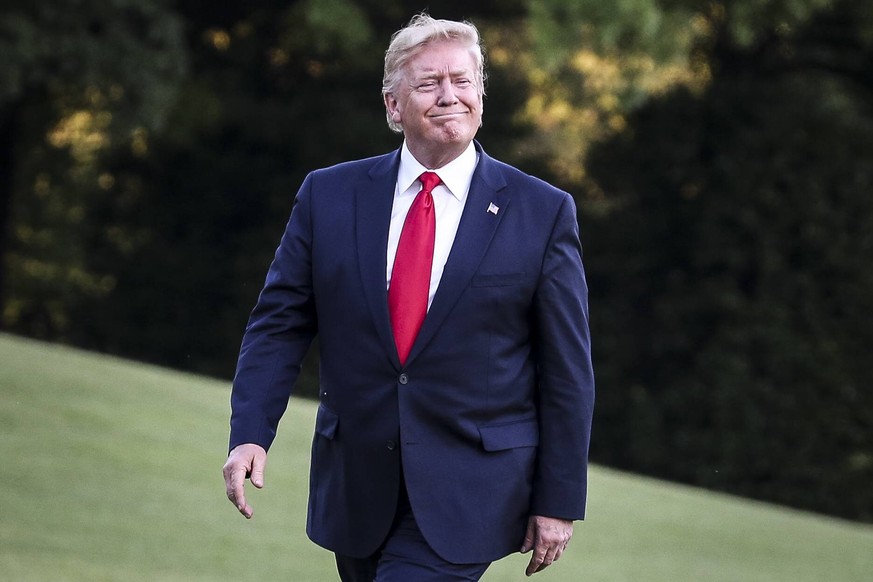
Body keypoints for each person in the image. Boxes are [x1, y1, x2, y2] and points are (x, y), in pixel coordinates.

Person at [222, 13, 595, 581]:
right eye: (428, 83)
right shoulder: (330, 195)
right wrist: (251, 430)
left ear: (480, 96)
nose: (450, 96)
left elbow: (567, 370)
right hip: (357, 487)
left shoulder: (542, 212)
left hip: (472, 492)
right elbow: (280, 324)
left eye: (463, 81)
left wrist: (559, 498)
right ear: (394, 106)